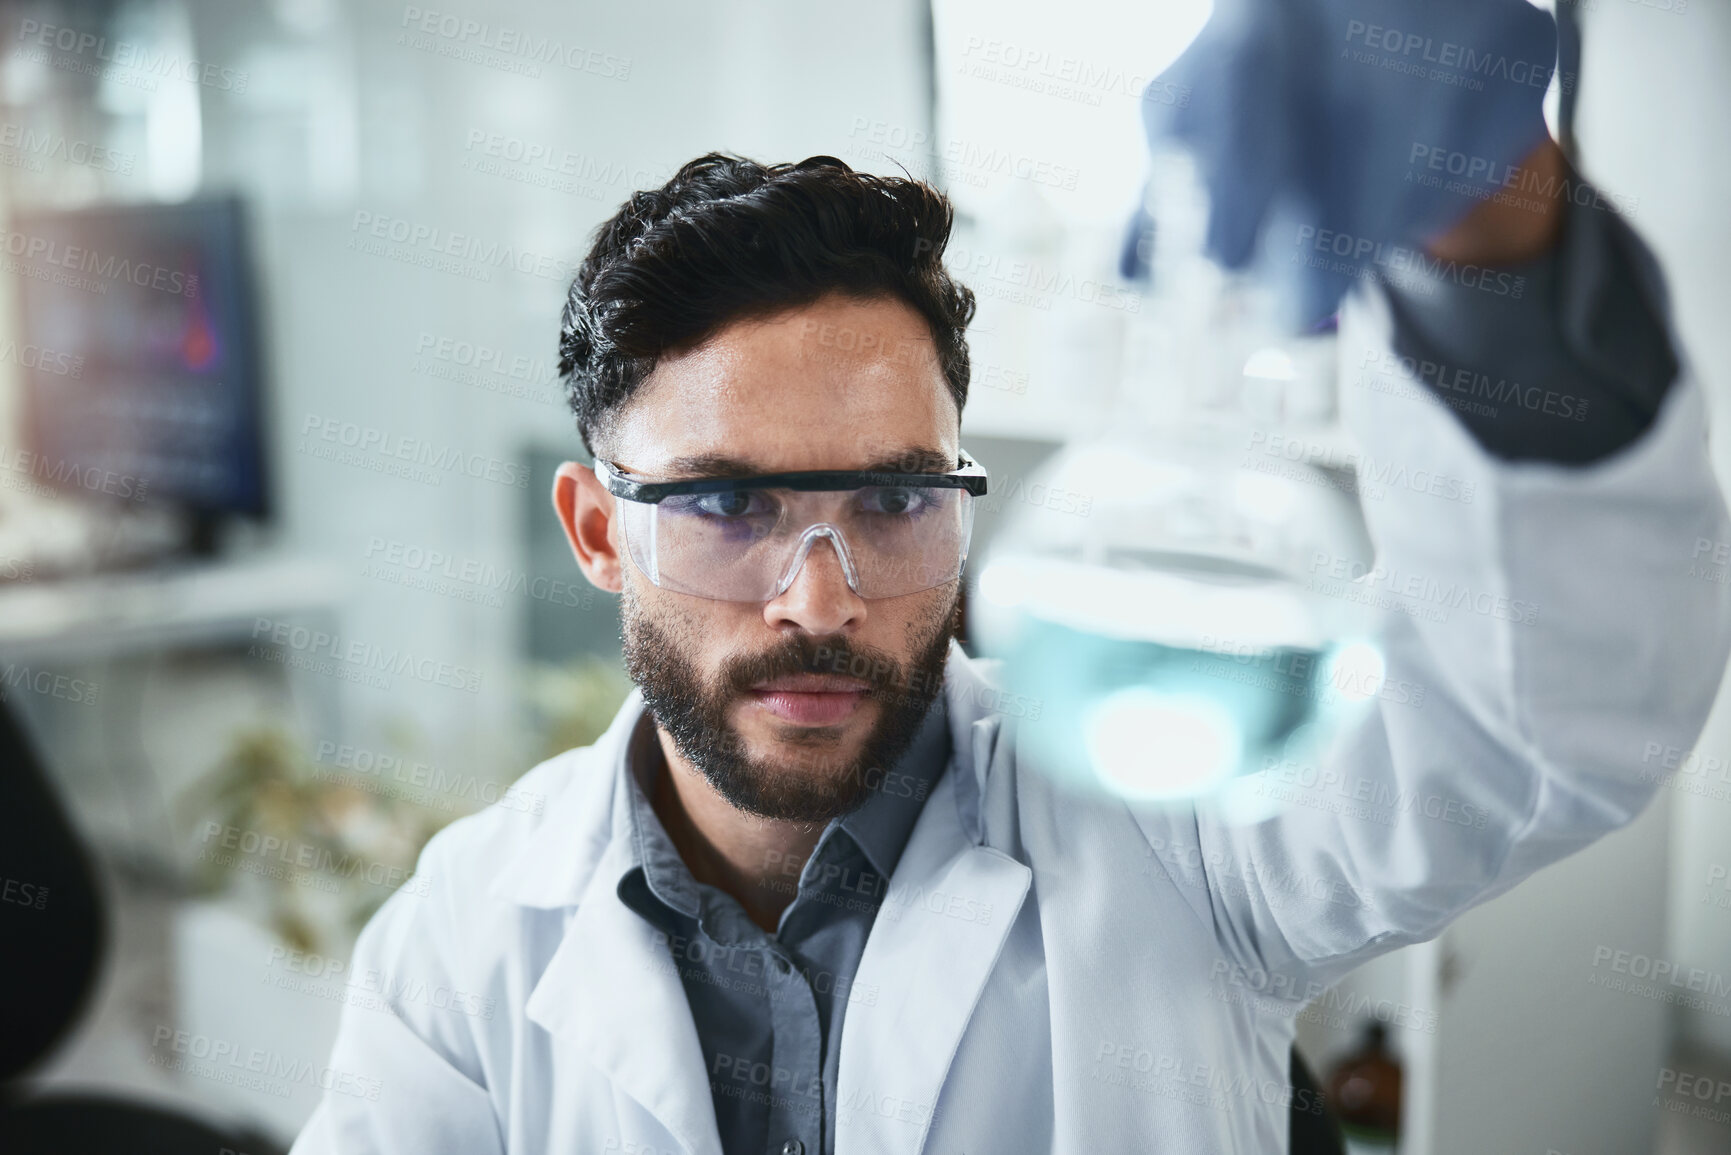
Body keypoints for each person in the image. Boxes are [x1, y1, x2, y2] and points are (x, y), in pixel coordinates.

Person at [290, 24, 1731, 1155]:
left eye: (895, 499)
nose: (820, 600)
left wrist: (1485, 213)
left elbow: (1540, 717)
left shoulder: (1180, 842)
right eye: (728, 503)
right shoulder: (467, 934)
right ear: (598, 533)